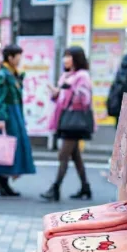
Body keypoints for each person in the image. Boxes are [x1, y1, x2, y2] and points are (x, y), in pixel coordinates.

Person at [0, 45, 35, 196]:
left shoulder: (12, 73)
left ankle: (3, 180)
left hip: (14, 114)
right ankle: (1, 179)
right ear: (10, 57)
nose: (20, 60)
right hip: (7, 116)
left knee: (12, 149)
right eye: (18, 57)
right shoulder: (2, 75)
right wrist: (1, 118)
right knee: (7, 148)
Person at [43, 47, 94, 201]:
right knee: (75, 155)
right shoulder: (66, 75)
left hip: (75, 121)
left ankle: (55, 188)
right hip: (66, 118)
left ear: (76, 58)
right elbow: (61, 98)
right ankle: (85, 187)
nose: (65, 59)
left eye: (69, 56)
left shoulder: (82, 76)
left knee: (63, 154)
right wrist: (56, 92)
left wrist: (70, 88)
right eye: (65, 56)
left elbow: (85, 99)